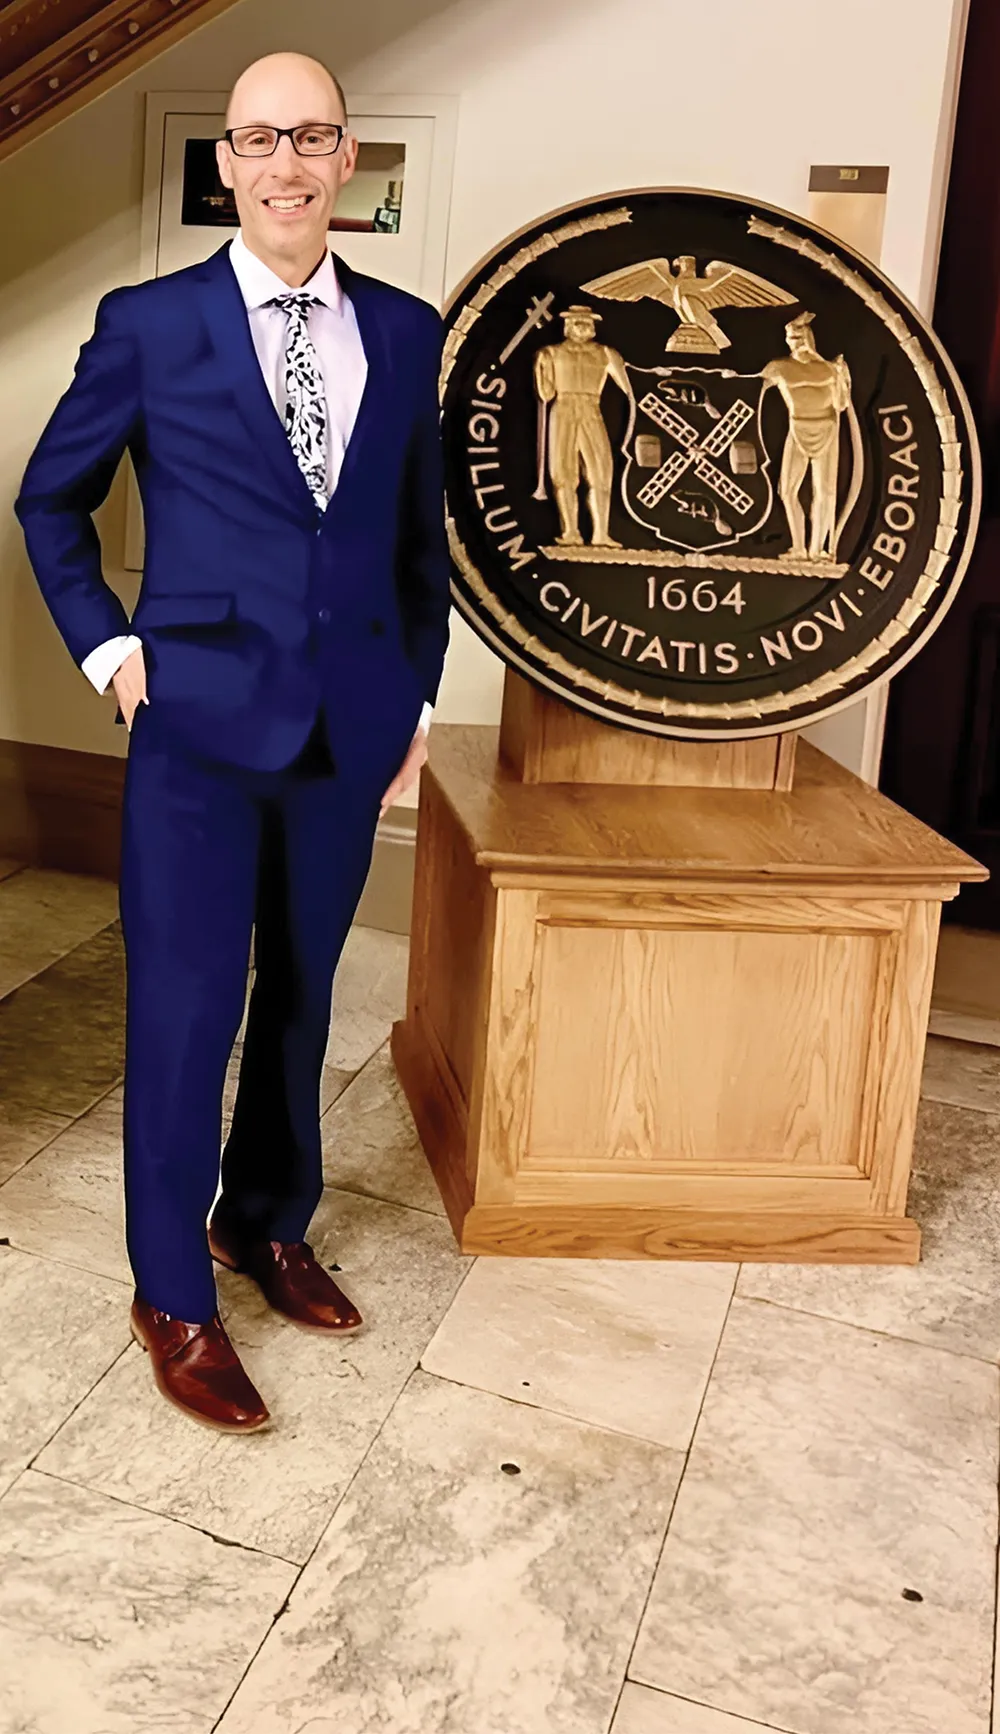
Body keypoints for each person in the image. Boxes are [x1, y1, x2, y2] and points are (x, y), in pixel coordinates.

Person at [15, 53, 450, 1434]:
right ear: (225, 163)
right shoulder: (149, 324)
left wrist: (420, 705)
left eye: (310, 137)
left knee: (303, 996)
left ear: (346, 156)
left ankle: (264, 1220)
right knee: (188, 1004)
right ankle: (171, 1292)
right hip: (195, 724)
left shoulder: (410, 328)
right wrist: (112, 651)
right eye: (259, 139)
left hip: (353, 725)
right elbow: (49, 501)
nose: (285, 164)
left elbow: (416, 541)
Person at [533, 305, 630, 547]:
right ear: (567, 325)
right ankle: (570, 533)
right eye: (578, 321)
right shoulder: (551, 353)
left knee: (601, 473)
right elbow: (546, 394)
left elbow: (629, 391)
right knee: (563, 473)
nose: (583, 325)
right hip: (563, 409)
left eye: (587, 321)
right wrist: (541, 369)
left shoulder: (606, 354)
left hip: (591, 409)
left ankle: (601, 534)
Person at [761, 309, 852, 561]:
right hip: (797, 429)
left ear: (810, 337)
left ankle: (817, 550)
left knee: (825, 491)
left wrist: (843, 379)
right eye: (791, 338)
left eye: (800, 337)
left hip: (827, 430)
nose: (796, 343)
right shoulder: (779, 367)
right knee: (787, 490)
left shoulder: (830, 369)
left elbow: (842, 404)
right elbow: (750, 386)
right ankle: (799, 547)